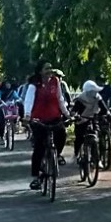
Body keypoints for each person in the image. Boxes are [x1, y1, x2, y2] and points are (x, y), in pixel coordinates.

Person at [23, 61, 70, 189]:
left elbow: (60, 99)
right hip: (38, 119)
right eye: (46, 68)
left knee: (61, 134)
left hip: (54, 116)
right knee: (39, 147)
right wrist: (27, 115)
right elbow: (29, 100)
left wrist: (67, 114)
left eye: (50, 68)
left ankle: (57, 154)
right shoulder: (34, 84)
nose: (49, 70)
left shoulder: (55, 81)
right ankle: (36, 177)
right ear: (40, 71)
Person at [70, 80, 109, 163]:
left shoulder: (98, 98)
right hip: (82, 120)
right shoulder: (80, 99)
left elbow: (104, 109)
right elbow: (74, 110)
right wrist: (75, 115)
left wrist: (108, 113)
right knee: (79, 138)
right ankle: (77, 154)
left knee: (96, 138)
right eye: (92, 91)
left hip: (93, 119)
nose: (94, 93)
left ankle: (97, 159)